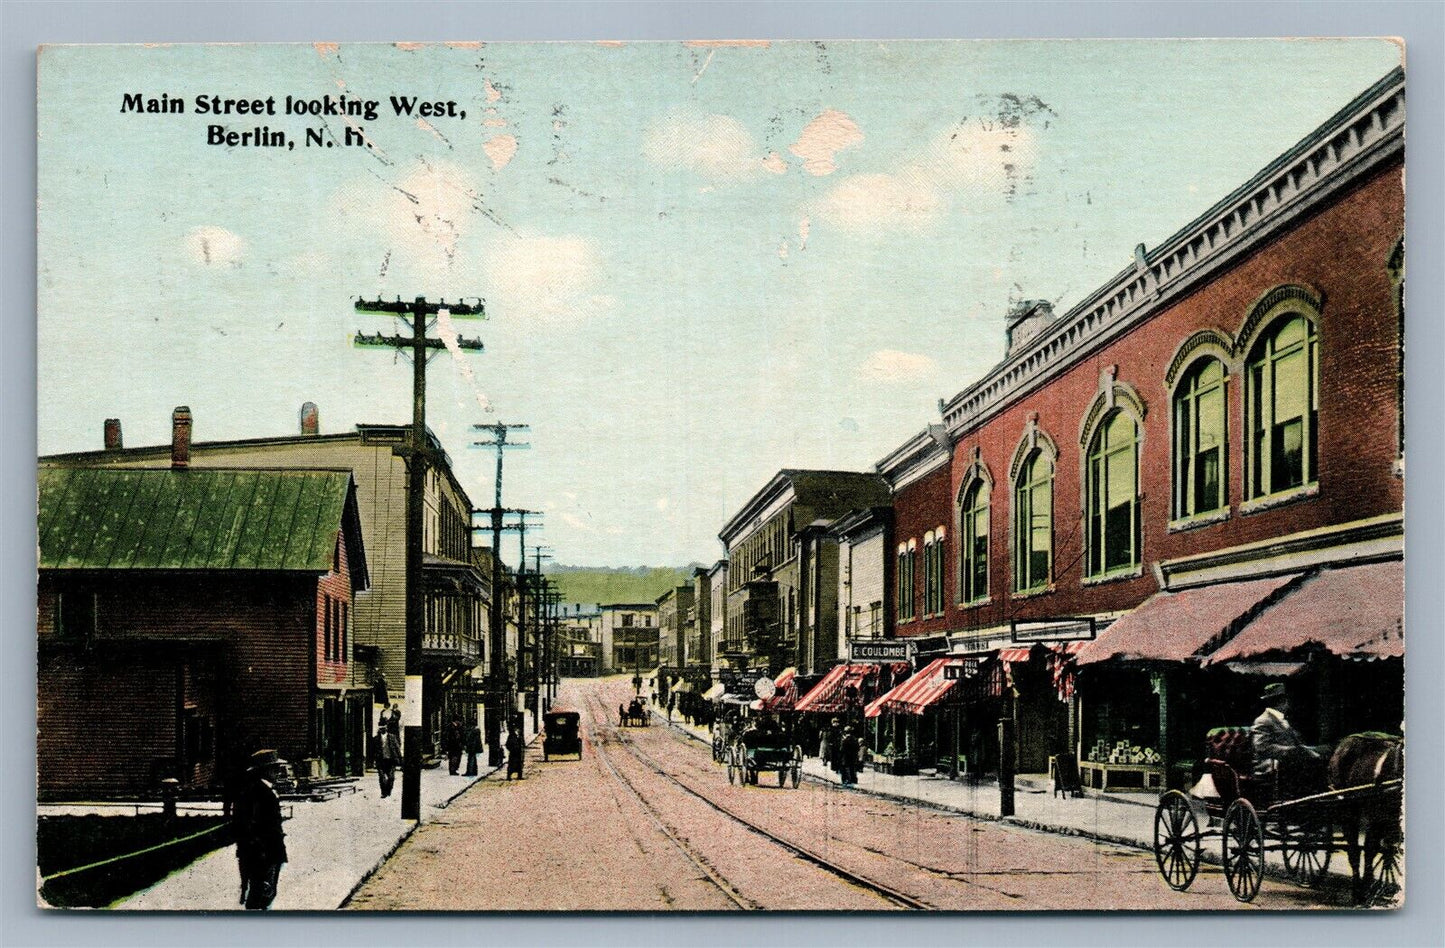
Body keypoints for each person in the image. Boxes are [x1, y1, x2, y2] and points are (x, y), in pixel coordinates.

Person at [233, 749, 288, 910]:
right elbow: (249, 826)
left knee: (266, 893)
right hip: (263, 854)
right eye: (275, 769)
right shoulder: (257, 793)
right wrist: (261, 852)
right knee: (261, 894)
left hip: (269, 852)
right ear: (264, 771)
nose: (278, 773)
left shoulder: (263, 790)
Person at [1252, 682, 1327, 795]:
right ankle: (1312, 795)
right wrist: (1293, 750)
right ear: (1282, 701)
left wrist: (1309, 749)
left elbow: (1296, 743)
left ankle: (1318, 793)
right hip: (1270, 764)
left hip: (1287, 760)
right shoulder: (1263, 720)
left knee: (1324, 752)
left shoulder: (1281, 719)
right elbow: (1262, 747)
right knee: (1310, 763)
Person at [375, 717, 401, 798]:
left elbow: (397, 749)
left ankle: (388, 790)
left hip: (391, 760)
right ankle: (383, 792)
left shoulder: (392, 737)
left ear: (387, 727)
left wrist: (400, 760)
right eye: (381, 727)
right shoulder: (376, 739)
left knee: (391, 777)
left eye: (384, 727)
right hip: (381, 760)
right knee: (382, 778)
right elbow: (373, 751)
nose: (383, 729)